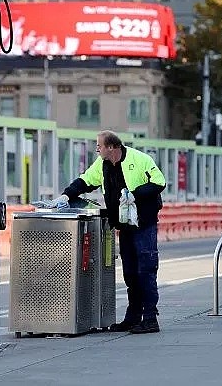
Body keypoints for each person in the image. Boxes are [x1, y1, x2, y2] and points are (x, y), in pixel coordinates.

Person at [50, 130, 166, 334]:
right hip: (124, 224)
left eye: (99, 145)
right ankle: (132, 318)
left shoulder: (140, 159)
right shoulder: (102, 165)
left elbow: (159, 182)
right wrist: (66, 196)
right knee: (130, 272)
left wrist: (134, 195)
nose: (97, 148)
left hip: (143, 224)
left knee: (146, 270)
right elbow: (85, 181)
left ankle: (150, 319)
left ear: (112, 147)